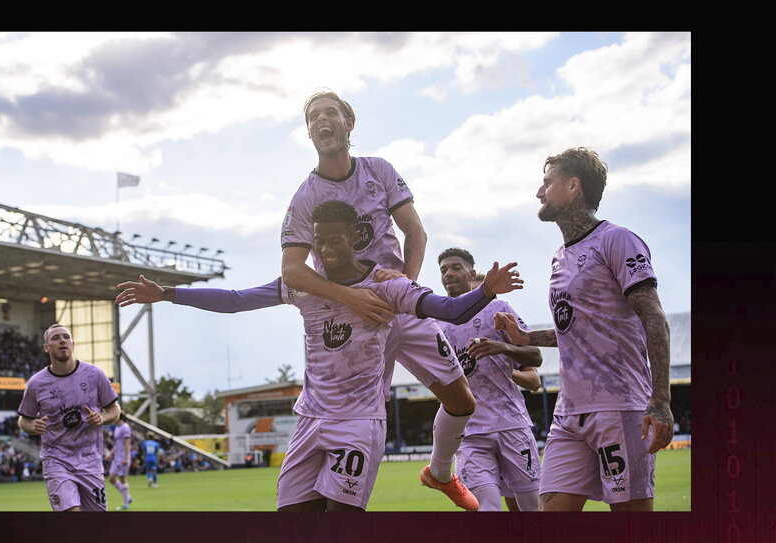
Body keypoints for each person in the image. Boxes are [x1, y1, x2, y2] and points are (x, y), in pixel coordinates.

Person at [117, 200, 523, 510]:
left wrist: (486, 290)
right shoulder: (302, 285)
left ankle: (439, 472)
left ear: (354, 238)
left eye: (334, 239)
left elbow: (448, 309)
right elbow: (236, 299)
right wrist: (168, 294)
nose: (325, 249)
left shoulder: (388, 286)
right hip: (310, 420)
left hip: (359, 423)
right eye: (318, 241)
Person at [279, 88, 484, 509]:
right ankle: (328, 488)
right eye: (313, 117)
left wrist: (405, 286)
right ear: (309, 133)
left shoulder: (379, 171)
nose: (322, 121)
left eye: (330, 113)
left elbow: (416, 232)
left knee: (462, 401)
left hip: (396, 307)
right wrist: (350, 299)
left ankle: (440, 472)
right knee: (353, 414)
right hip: (350, 319)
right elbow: (292, 270)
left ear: (348, 123)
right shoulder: (305, 196)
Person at [493, 147, 673, 511]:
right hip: (569, 414)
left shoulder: (617, 240)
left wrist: (662, 400)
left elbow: (653, 318)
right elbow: (573, 326)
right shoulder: (560, 256)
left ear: (573, 187)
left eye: (547, 182)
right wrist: (526, 339)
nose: (539, 192)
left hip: (619, 408)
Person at [436, 247, 543, 512]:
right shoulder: (434, 325)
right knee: (487, 507)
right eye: (443, 270)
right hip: (470, 433)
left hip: (512, 425)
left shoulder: (498, 308)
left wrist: (501, 347)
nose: (449, 273)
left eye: (456, 267)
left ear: (472, 273)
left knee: (530, 509)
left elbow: (536, 356)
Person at [17, 324, 121, 512]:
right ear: (46, 348)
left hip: (90, 461)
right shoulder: (36, 383)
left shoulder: (95, 374)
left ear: (73, 344)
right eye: (56, 338)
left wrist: (102, 418)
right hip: (56, 460)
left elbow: (114, 410)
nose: (62, 340)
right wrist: (33, 427)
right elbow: (24, 420)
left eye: (66, 337)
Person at [106, 414, 133, 510]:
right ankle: (127, 497)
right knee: (111, 478)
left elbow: (127, 443)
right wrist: (110, 454)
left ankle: (125, 504)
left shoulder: (125, 427)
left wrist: (126, 457)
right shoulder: (117, 428)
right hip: (116, 457)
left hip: (122, 457)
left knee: (122, 478)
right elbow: (117, 444)